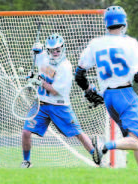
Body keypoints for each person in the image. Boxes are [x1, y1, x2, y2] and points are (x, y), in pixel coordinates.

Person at [75, 6, 138, 184]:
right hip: (125, 95)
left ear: (107, 24)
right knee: (135, 141)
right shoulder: (130, 43)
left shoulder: (96, 43)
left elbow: (79, 75)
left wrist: (89, 91)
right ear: (124, 23)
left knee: (136, 140)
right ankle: (105, 145)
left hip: (108, 99)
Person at [21, 33, 98, 168]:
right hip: (41, 104)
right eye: (52, 50)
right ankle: (26, 162)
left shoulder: (65, 66)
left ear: (62, 48)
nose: (55, 52)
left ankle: (97, 155)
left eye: (58, 49)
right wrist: (35, 52)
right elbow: (38, 62)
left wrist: (38, 81)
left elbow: (55, 91)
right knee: (26, 132)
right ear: (48, 50)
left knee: (77, 133)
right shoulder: (44, 58)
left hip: (59, 106)